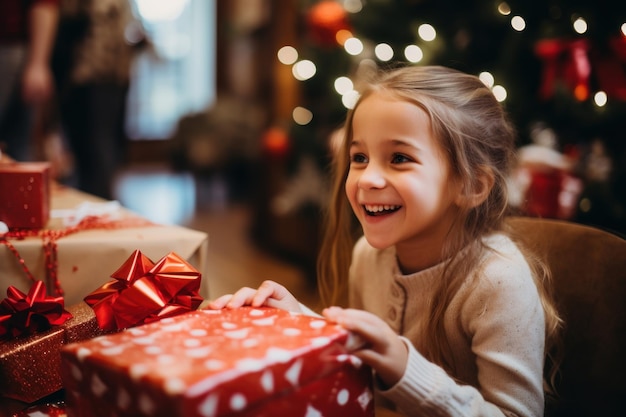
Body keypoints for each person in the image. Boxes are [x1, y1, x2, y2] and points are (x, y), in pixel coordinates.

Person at [209, 65, 563, 417]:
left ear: (471, 186)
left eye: (399, 158)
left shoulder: (498, 282)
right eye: (359, 157)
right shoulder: (368, 255)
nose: (367, 179)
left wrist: (407, 368)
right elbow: (363, 363)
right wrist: (300, 320)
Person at [0, 0, 59, 161]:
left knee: (18, 148)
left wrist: (38, 63)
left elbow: (45, 3)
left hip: (11, 47)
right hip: (14, 48)